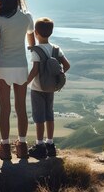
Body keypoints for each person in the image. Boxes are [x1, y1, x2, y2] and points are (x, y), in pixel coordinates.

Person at [0, 0, 35, 160]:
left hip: (3, 66)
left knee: (4, 108)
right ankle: (22, 146)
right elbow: (31, 42)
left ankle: (5, 147)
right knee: (21, 108)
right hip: (21, 66)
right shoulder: (26, 17)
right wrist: (32, 53)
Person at [26, 17, 70, 159]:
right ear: (50, 32)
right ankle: (50, 144)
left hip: (38, 89)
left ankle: (40, 146)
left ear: (36, 33)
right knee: (49, 115)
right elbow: (67, 65)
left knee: (39, 117)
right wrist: (56, 76)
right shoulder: (56, 49)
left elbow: (34, 71)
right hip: (51, 88)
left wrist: (25, 83)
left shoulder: (36, 51)